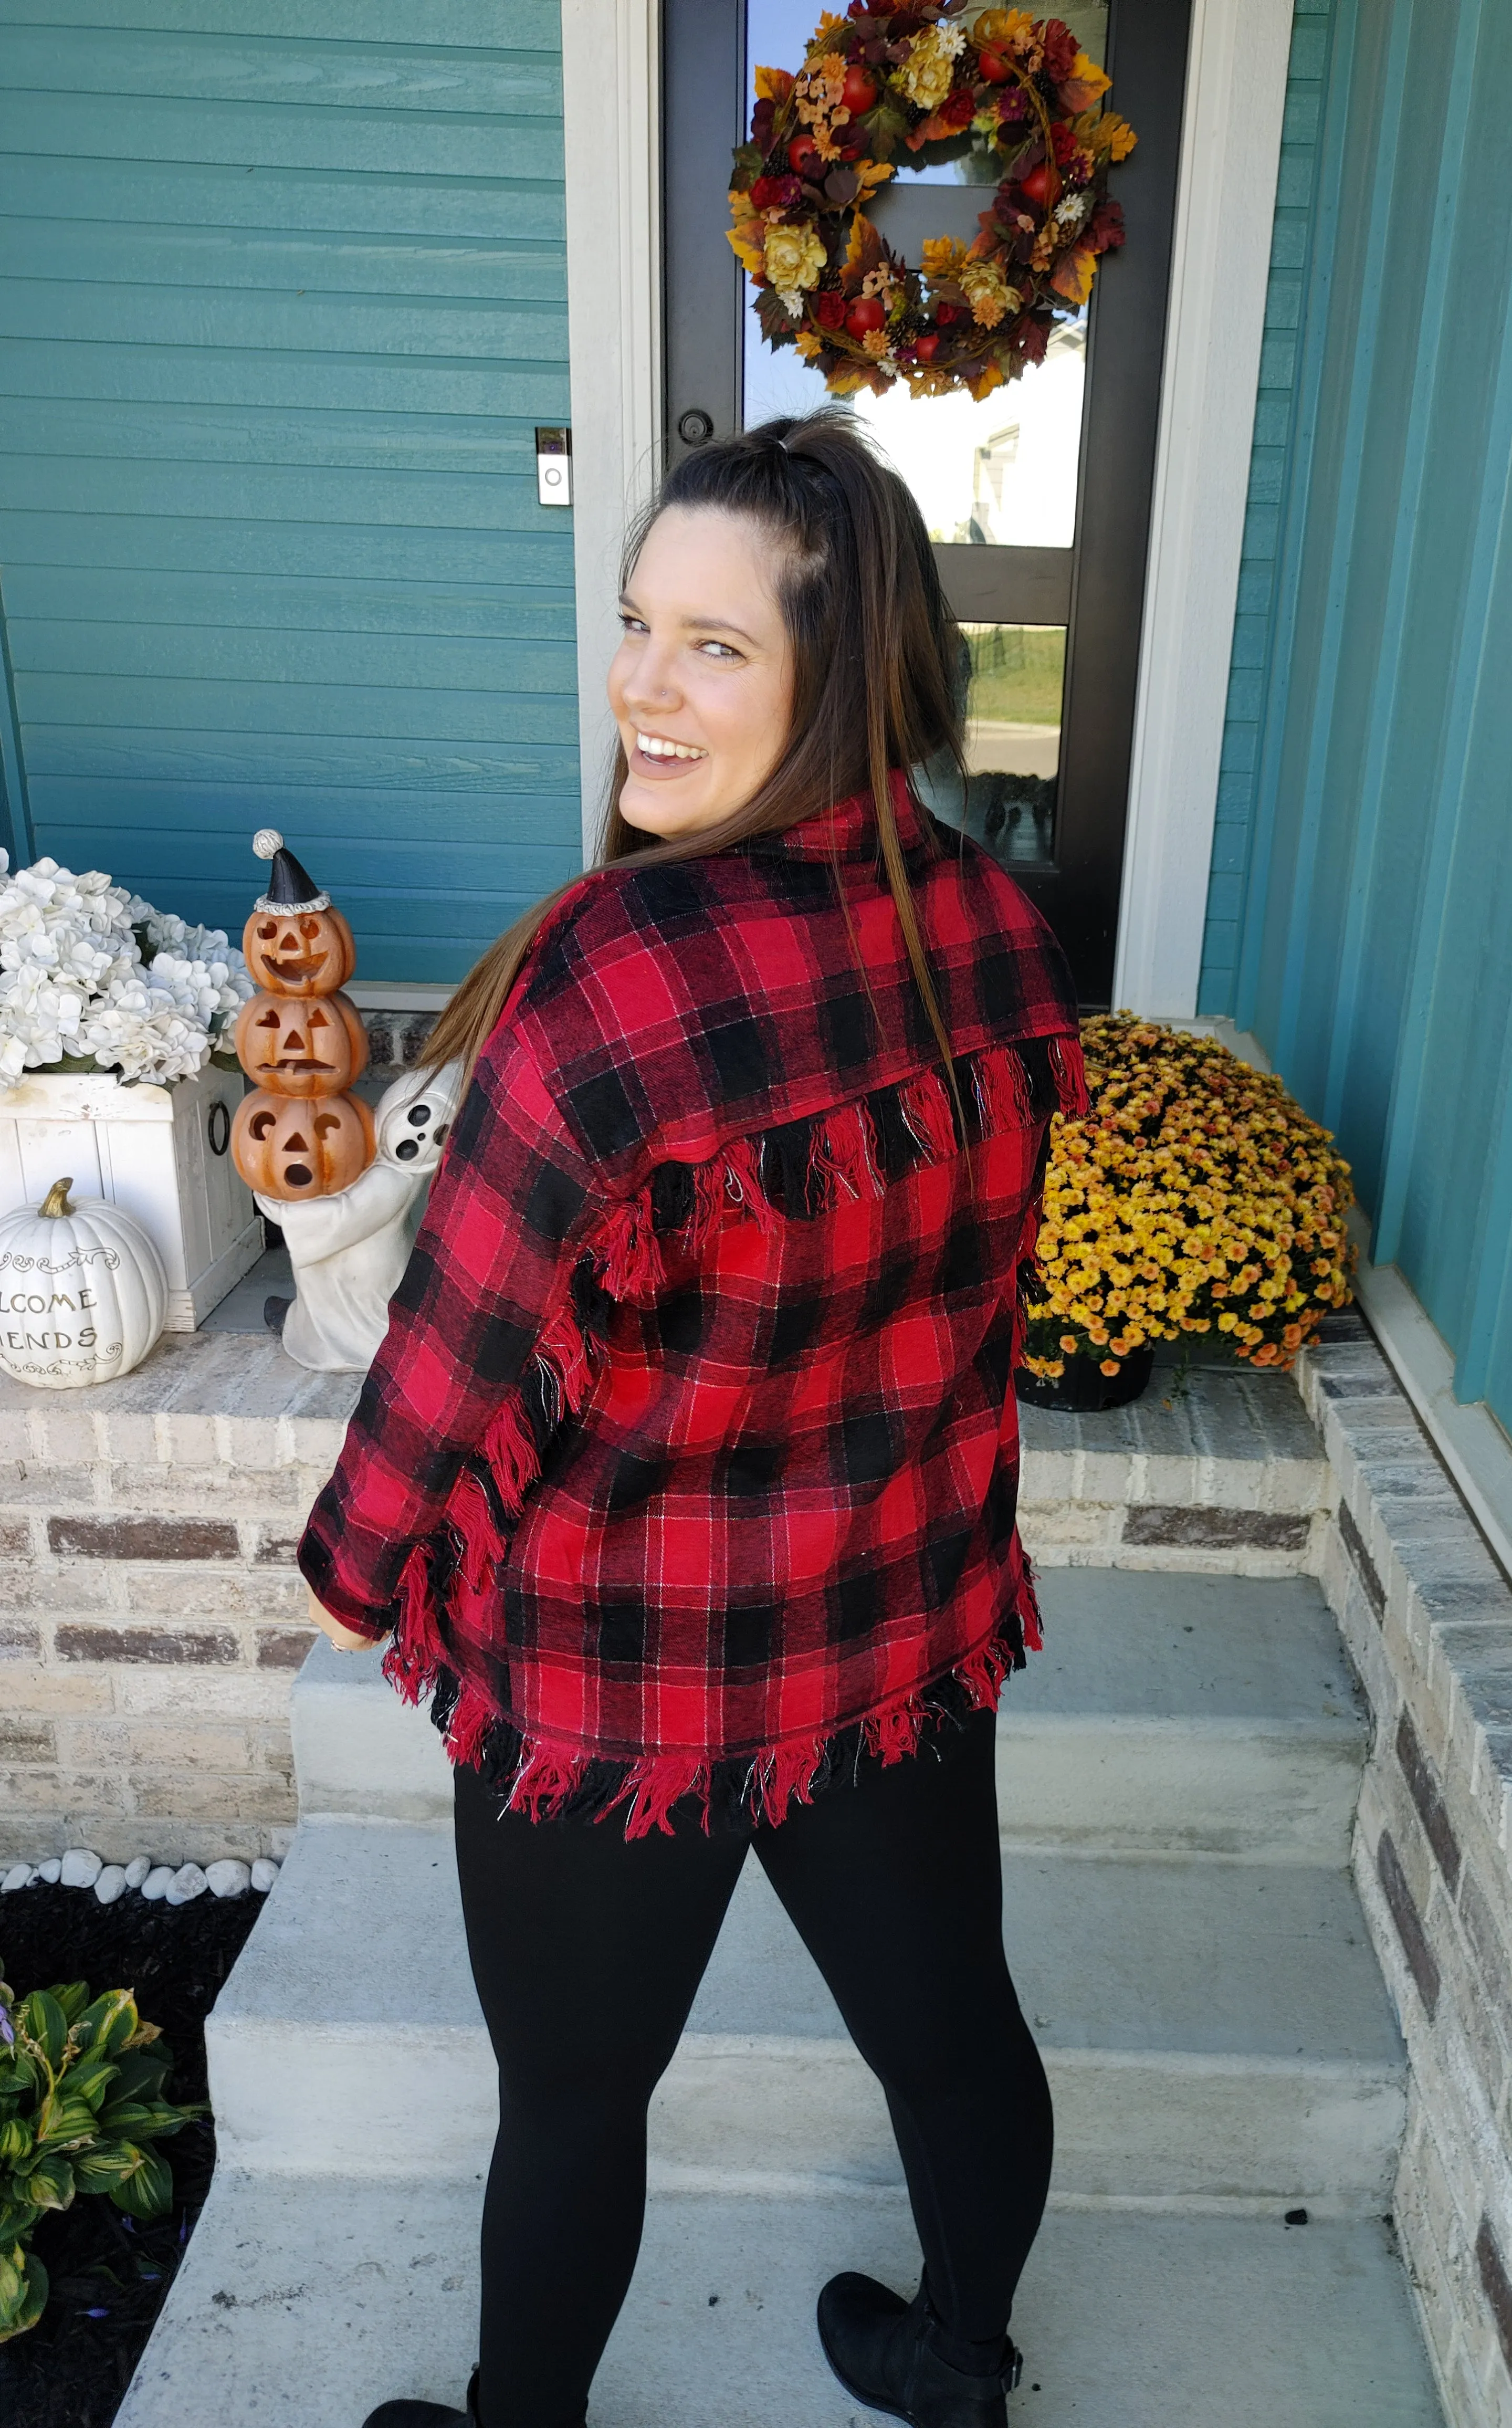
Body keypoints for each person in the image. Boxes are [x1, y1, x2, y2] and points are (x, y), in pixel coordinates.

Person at [300, 413, 1085, 2428]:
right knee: (952, 2035)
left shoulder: (612, 980)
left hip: (623, 1670)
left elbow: (456, 1352)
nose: (645, 686)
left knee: (570, 2105)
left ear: (850, 672)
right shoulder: (1001, 930)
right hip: (890, 1625)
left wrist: (351, 1569)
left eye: (717, 647)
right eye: (641, 626)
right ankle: (962, 2362)